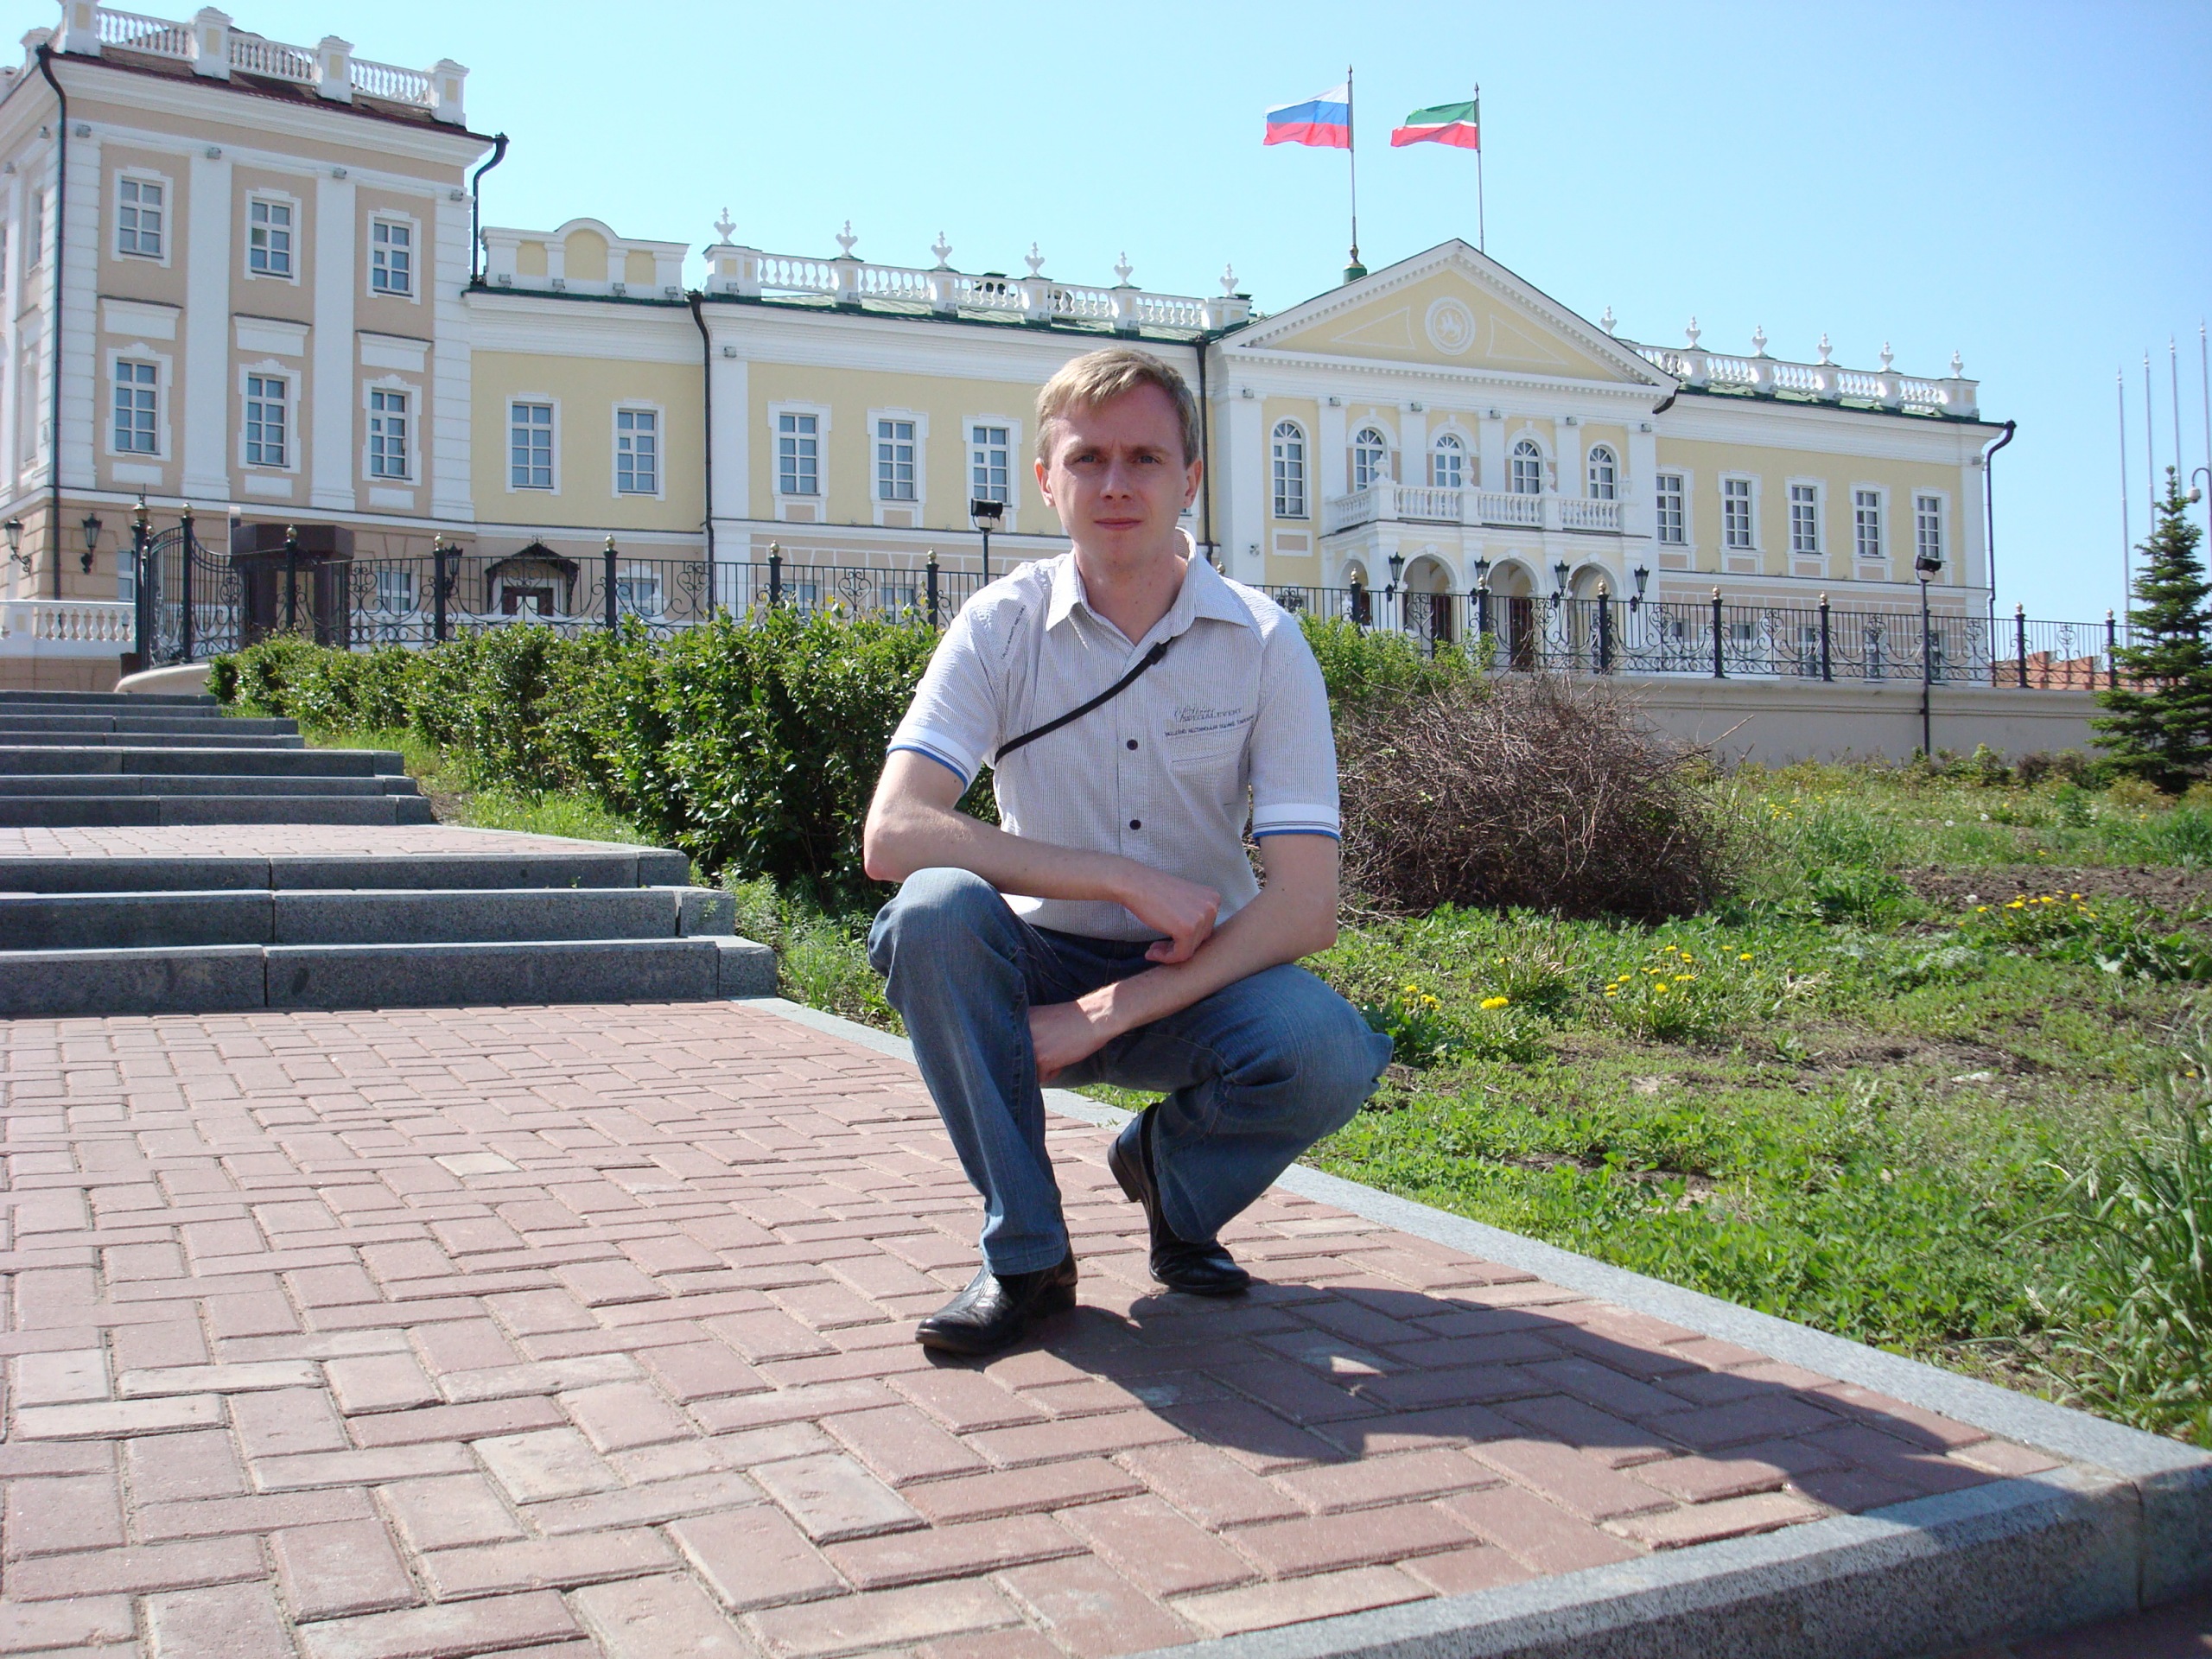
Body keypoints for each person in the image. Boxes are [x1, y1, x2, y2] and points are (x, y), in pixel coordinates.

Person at [861, 346, 1391, 1357]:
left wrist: (1107, 1011)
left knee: (1324, 1051)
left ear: (1190, 479)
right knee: (929, 913)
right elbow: (893, 832)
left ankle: (1171, 1181)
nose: (1115, 484)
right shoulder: (998, 626)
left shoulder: (1264, 643)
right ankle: (1027, 1259)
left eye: (1144, 458)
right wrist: (1119, 878)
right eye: (1088, 458)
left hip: (1195, 971)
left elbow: (1305, 906)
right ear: (1045, 479)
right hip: (1027, 967)